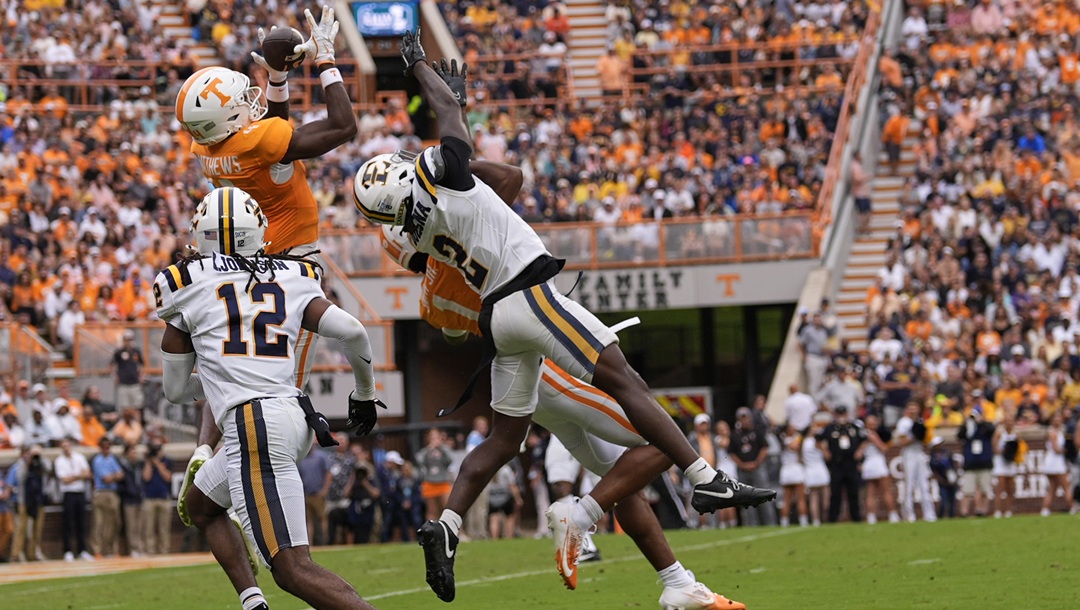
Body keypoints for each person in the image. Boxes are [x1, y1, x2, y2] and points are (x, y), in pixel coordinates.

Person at [357, 36, 770, 602]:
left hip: (507, 337)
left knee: (513, 441)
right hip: (537, 318)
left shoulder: (428, 256)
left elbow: (478, 201)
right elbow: (504, 176)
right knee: (647, 421)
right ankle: (689, 485)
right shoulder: (447, 191)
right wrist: (432, 83)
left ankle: (673, 583)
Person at [378, 194, 749, 607]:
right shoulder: (470, 236)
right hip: (552, 367)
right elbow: (502, 195)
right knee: (663, 439)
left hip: (526, 388)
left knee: (622, 484)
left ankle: (677, 582)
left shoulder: (430, 301)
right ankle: (582, 515)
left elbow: (454, 332)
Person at [157, 185, 384, 610]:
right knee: (200, 506)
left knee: (293, 569)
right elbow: (354, 331)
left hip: (253, 426)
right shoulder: (294, 273)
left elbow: (174, 390)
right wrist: (365, 393)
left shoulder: (183, 283)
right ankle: (252, 602)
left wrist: (214, 375)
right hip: (291, 416)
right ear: (259, 230)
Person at [175, 3, 358, 396]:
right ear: (224, 120)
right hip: (293, 264)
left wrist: (277, 79)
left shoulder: (207, 150)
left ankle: (210, 447)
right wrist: (325, 57)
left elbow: (274, 132)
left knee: (241, 376)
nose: (250, 105)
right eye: (241, 103)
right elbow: (344, 126)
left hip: (250, 264)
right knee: (287, 386)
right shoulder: (253, 144)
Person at [819, 405, 866, 523]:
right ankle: (832, 519)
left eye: (843, 414)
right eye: (839, 415)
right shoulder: (830, 428)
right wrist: (825, 451)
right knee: (835, 493)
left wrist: (860, 451)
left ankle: (856, 518)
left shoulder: (854, 427)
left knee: (853, 492)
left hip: (851, 464)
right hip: (837, 464)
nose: (841, 417)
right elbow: (818, 438)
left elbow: (865, 439)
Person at [895, 400, 937, 523]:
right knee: (909, 485)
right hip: (909, 454)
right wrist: (913, 436)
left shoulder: (920, 421)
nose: (913, 410)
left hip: (919, 453)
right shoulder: (903, 422)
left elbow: (925, 440)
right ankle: (909, 515)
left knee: (924, 484)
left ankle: (929, 514)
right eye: (911, 407)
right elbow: (902, 442)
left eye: (915, 407)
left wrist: (921, 435)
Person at [53, 439, 94, 561]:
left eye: (67, 445)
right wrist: (79, 476)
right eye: (63, 446)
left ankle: (82, 550)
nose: (66, 448)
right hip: (68, 493)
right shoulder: (59, 461)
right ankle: (68, 550)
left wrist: (74, 477)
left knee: (81, 522)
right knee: (68, 523)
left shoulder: (79, 457)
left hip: (80, 492)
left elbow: (87, 474)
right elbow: (64, 479)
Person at [8, 445, 49, 562]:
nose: (29, 456)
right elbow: (21, 478)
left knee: (37, 529)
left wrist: (41, 455)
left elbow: (48, 468)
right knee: (21, 529)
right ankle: (16, 554)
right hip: (24, 501)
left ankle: (33, 553)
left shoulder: (39, 463)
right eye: (27, 453)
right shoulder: (19, 466)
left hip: (38, 500)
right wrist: (27, 463)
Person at [957, 405, 994, 517]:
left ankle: (982, 510)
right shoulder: (968, 427)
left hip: (984, 462)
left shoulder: (985, 426)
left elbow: (991, 430)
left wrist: (981, 422)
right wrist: (967, 423)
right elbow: (960, 435)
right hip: (971, 463)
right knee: (967, 490)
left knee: (985, 490)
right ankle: (964, 511)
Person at [861, 414, 899, 524]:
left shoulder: (863, 435)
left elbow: (859, 453)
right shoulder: (872, 435)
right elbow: (883, 448)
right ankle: (892, 515)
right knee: (886, 491)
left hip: (868, 464)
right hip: (877, 463)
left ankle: (871, 517)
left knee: (871, 493)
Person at [90, 437, 124, 557]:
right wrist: (114, 476)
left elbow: (121, 474)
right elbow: (106, 479)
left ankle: (112, 550)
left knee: (114, 522)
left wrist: (113, 476)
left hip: (112, 493)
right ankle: (98, 550)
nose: (107, 449)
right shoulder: (97, 460)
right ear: (100, 447)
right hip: (101, 492)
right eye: (104, 447)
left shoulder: (112, 459)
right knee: (99, 523)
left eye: (108, 447)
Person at [415, 428, 454, 522]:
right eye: (432, 437)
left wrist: (442, 447)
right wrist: (429, 448)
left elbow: (450, 460)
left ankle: (452, 531)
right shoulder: (426, 451)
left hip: (443, 482)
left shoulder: (444, 449)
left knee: (448, 509)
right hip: (429, 482)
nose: (434, 439)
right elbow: (419, 460)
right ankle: (432, 533)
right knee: (432, 511)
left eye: (436, 436)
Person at [142, 441, 173, 554]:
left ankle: (164, 550)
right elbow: (146, 477)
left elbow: (168, 477)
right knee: (149, 528)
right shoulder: (146, 462)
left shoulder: (167, 461)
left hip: (163, 497)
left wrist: (158, 464)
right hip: (149, 498)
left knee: (164, 528)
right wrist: (149, 462)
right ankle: (150, 551)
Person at [299, 445, 332, 546]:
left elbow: (329, 473)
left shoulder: (321, 457)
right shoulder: (301, 458)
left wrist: (325, 490)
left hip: (318, 493)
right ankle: (310, 545)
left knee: (322, 518)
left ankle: (325, 542)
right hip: (306, 494)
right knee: (309, 520)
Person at [803, 413, 831, 526]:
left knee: (813, 497)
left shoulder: (803, 442)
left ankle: (816, 520)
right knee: (825, 495)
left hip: (809, 469)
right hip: (819, 468)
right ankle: (825, 517)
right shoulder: (818, 443)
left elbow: (800, 458)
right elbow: (827, 456)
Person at [777, 422, 807, 527]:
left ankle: (801, 521)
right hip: (792, 469)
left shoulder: (788, 439)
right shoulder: (787, 439)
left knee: (799, 498)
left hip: (790, 469)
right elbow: (795, 447)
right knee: (789, 499)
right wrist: (800, 437)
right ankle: (786, 521)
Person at [118, 443, 145, 556]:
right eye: (132, 452)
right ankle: (133, 549)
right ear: (126, 453)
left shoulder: (138, 465)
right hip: (128, 499)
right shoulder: (123, 466)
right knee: (131, 526)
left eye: (135, 452)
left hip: (139, 498)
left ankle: (140, 548)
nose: (134, 454)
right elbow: (122, 484)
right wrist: (129, 492)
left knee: (139, 526)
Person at [1042, 411, 1069, 516]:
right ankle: (1071, 507)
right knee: (1066, 486)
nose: (1057, 420)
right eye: (1055, 418)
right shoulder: (1052, 432)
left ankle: (1045, 509)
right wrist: (1067, 450)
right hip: (1055, 462)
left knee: (1052, 487)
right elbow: (1056, 449)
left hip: (1052, 462)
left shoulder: (1059, 431)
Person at [111, 330, 145, 412]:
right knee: (125, 407)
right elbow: (112, 364)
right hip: (123, 383)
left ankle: (137, 424)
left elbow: (142, 364)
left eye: (130, 339)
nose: (128, 342)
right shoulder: (119, 352)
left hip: (135, 382)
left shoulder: (136, 351)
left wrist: (141, 376)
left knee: (137, 406)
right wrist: (114, 376)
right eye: (126, 339)